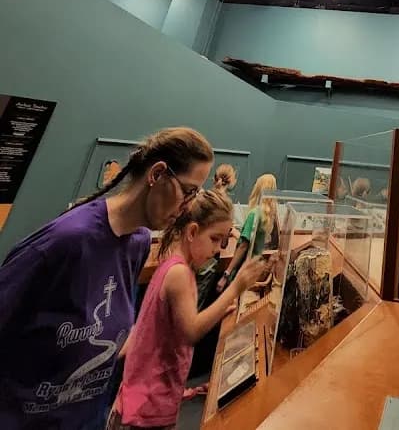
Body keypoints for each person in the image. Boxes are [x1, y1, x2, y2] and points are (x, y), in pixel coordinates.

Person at [0, 127, 214, 430]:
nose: (188, 206)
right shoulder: (66, 240)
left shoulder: (137, 243)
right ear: (157, 174)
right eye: (188, 191)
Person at [108, 190, 267, 429]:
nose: (217, 249)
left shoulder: (177, 266)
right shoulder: (180, 273)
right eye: (214, 239)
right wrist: (236, 287)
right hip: (148, 406)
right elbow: (190, 331)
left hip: (147, 397)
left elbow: (169, 328)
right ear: (192, 232)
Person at [217, 173, 278, 292]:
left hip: (243, 268)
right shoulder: (271, 215)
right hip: (256, 267)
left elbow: (244, 246)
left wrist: (226, 273)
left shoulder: (254, 213)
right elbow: (255, 241)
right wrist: (237, 233)